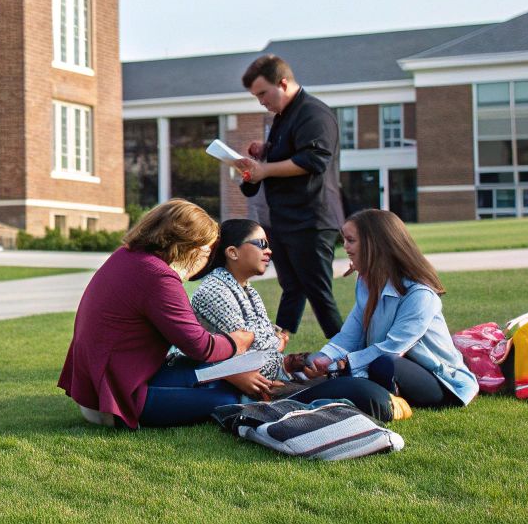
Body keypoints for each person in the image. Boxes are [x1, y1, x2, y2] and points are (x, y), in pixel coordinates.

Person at [57, 200, 264, 429]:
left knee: (213, 378)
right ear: (191, 248)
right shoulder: (159, 277)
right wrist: (239, 341)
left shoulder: (126, 257)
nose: (207, 261)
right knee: (227, 398)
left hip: (99, 389)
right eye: (207, 251)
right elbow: (201, 346)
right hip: (117, 399)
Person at [283, 208, 479, 418]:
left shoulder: (420, 293)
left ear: (374, 244)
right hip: (389, 365)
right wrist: (323, 358)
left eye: (350, 240)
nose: (346, 248)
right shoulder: (365, 284)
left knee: (384, 363)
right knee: (369, 366)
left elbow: (393, 348)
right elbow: (351, 333)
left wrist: (343, 363)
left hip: (441, 381)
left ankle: (376, 395)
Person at [232, 55, 345, 338]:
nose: (260, 102)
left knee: (319, 294)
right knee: (293, 289)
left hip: (311, 219)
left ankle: (351, 359)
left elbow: (314, 160)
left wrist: (265, 168)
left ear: (282, 83)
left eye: (262, 93)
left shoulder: (314, 113)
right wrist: (265, 150)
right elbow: (291, 152)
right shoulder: (283, 117)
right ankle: (276, 350)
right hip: (284, 219)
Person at [189, 219, 287, 382]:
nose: (269, 251)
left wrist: (274, 343)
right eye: (262, 244)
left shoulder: (248, 290)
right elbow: (252, 352)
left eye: (269, 245)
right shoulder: (214, 290)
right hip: (214, 384)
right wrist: (278, 343)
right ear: (233, 252)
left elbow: (264, 345)